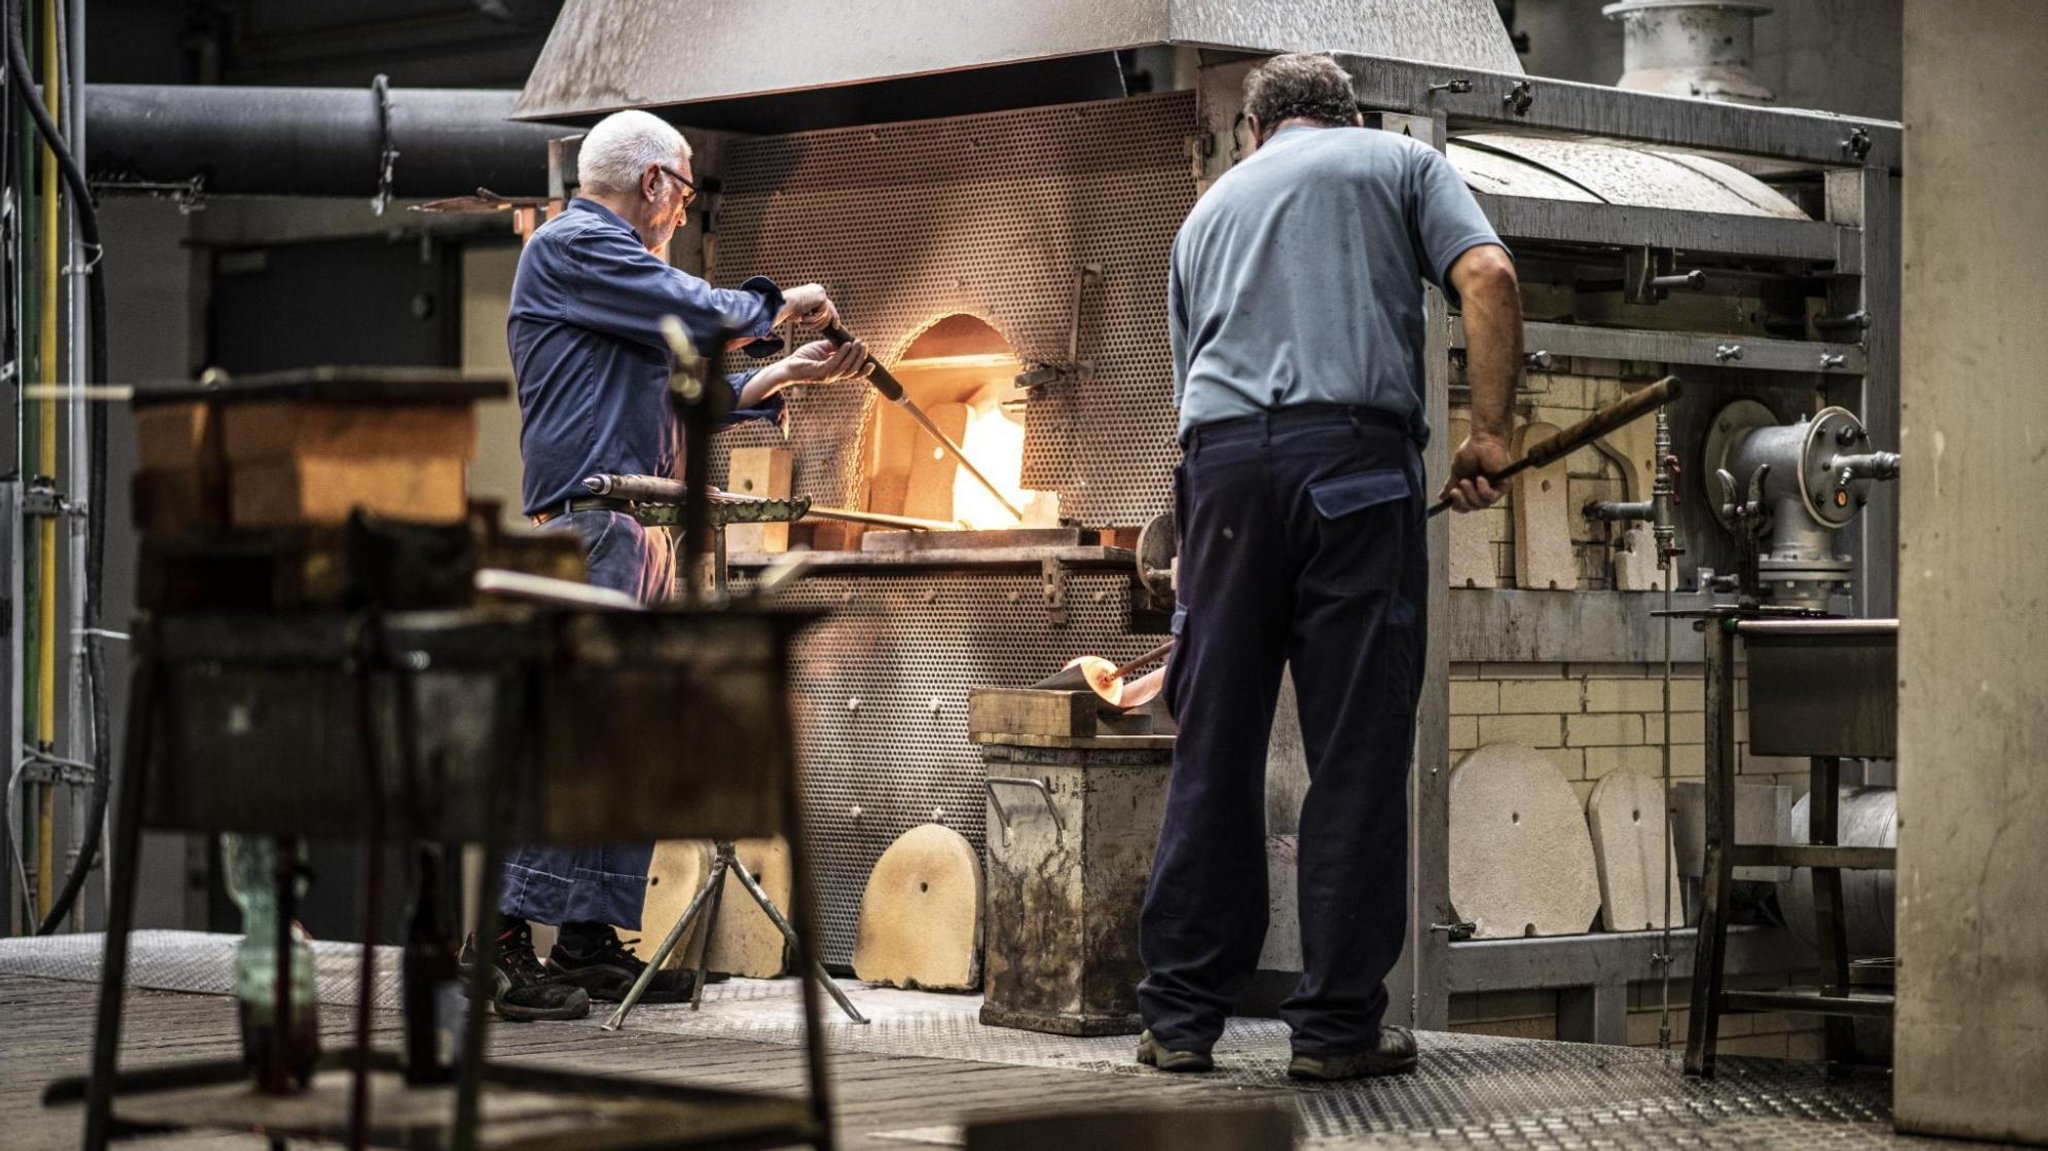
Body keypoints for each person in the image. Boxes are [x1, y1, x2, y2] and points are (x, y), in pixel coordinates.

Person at [1136, 54, 1521, 1079]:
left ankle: (1178, 1016)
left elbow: (1187, 414)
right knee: (1350, 747)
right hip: (1349, 468)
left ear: (1255, 130)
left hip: (1219, 483)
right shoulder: (1397, 161)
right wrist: (1486, 435)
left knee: (1212, 744)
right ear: (1346, 114)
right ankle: (1333, 1031)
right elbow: (1485, 275)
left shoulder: (1204, 214)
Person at [462, 109, 872, 1022]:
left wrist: (783, 376)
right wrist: (780, 300)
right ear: (654, 183)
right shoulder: (577, 245)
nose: (683, 213)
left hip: (635, 527)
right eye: (684, 192)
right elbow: (694, 311)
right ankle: (497, 945)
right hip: (593, 526)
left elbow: (681, 387)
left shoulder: (614, 278)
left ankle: (586, 939)